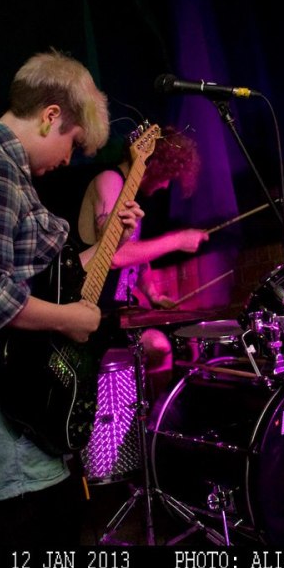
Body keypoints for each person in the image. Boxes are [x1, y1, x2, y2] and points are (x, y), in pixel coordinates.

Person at [0, 49, 143, 544]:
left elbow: (38, 279)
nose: (68, 159)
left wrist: (110, 245)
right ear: (50, 116)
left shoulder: (4, 167)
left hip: (14, 396)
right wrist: (68, 320)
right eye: (72, 142)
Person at [76, 124, 209, 396]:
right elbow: (113, 254)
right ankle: (153, 415)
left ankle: (147, 414)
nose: (165, 185)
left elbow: (135, 257)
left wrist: (152, 293)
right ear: (157, 165)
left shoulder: (130, 195)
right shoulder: (110, 180)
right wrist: (177, 240)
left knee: (178, 343)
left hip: (117, 313)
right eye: (168, 177)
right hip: (90, 310)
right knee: (158, 346)